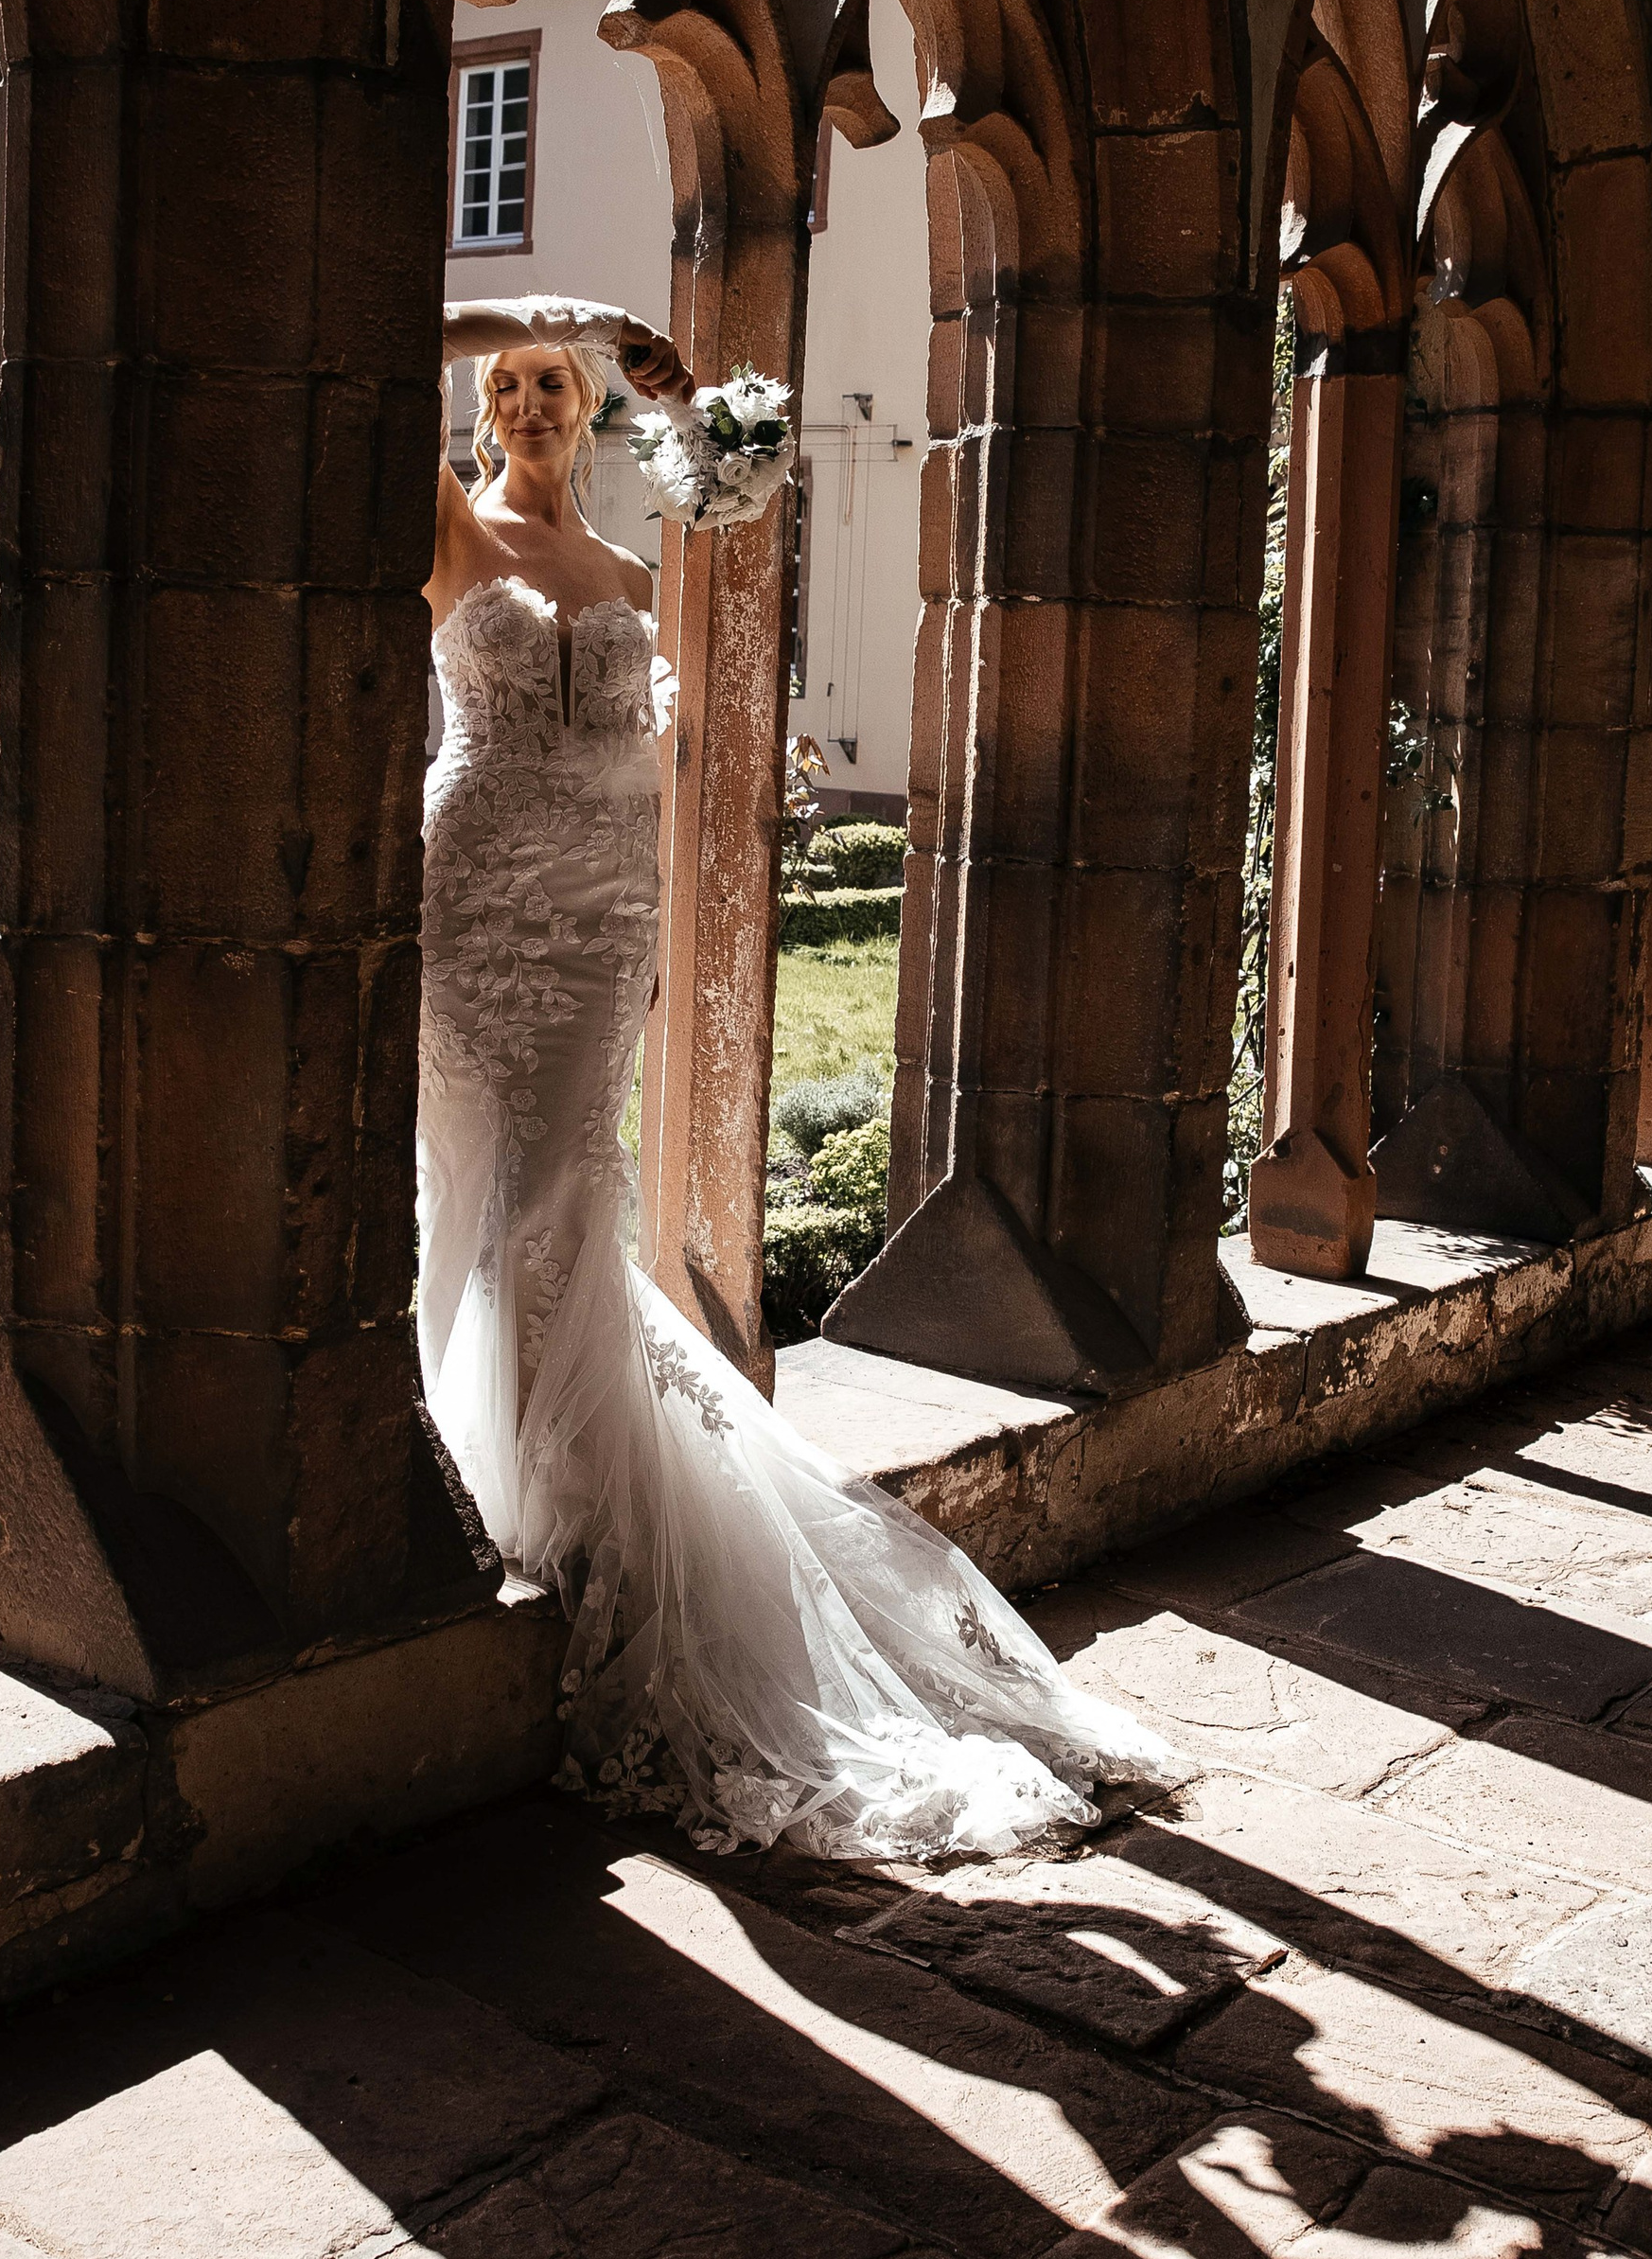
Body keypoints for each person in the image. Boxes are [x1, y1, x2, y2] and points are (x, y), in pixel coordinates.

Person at [417, 294, 1171, 1860]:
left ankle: (559, 1501)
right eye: (513, 386)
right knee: (469, 1193)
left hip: (598, 909)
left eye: (556, 384)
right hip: (474, 904)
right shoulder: (452, 541)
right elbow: (388, 332)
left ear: (592, 412)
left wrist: (684, 402)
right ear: (488, 410)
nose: (535, 402)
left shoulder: (631, 572)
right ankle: (481, 1473)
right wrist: (561, 312)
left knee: (563, 1185)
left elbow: (670, 743)